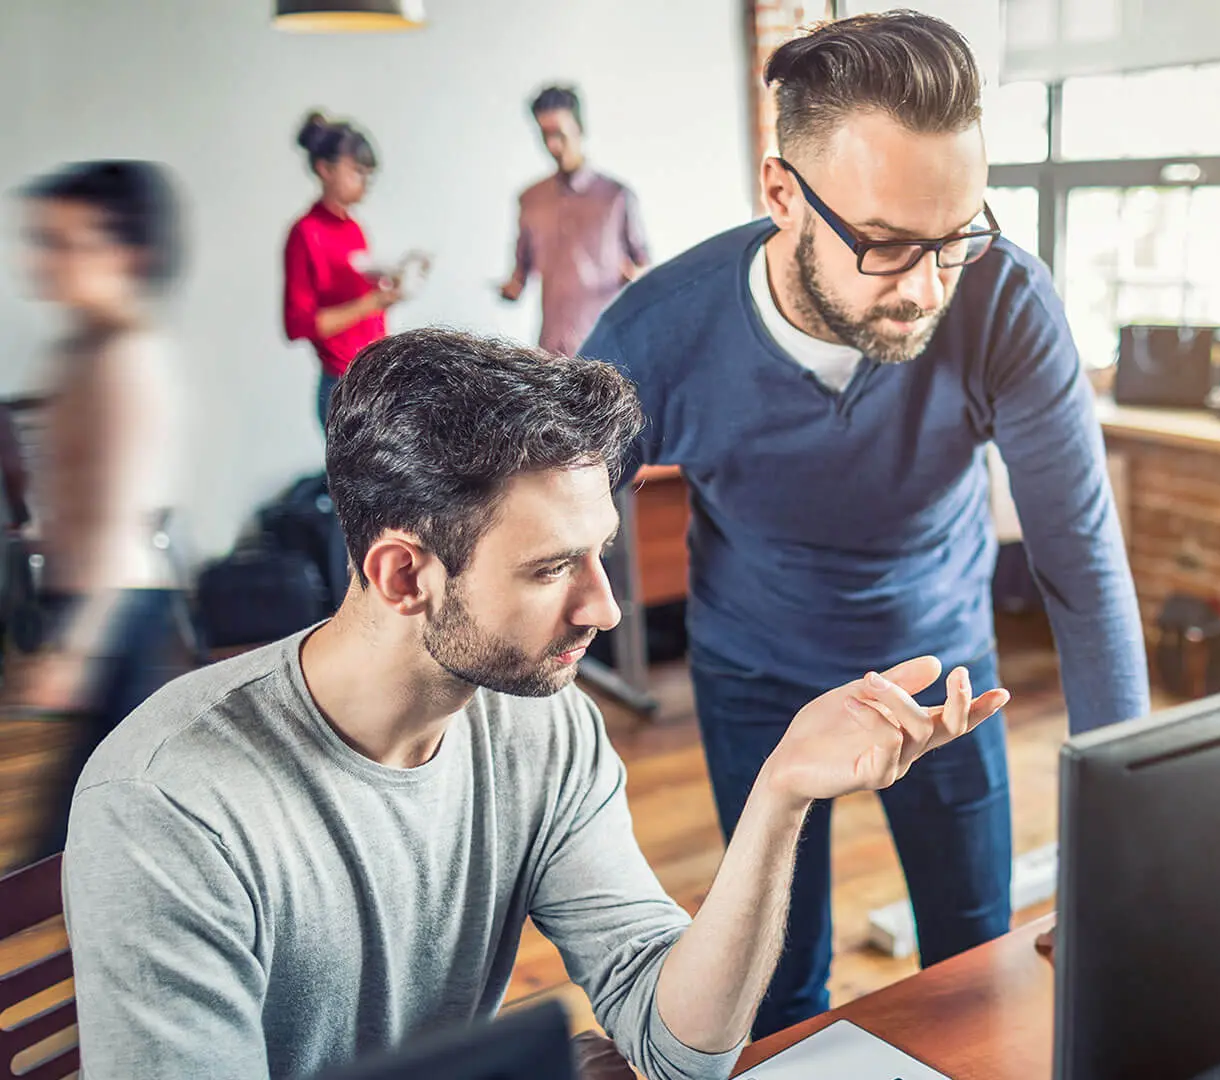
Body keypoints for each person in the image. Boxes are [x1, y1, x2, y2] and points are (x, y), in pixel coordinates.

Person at [60, 327, 1008, 1079]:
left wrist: (782, 795)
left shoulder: (540, 725)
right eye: (554, 567)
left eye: (601, 552)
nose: (604, 605)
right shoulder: (170, 806)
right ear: (404, 575)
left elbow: (677, 1048)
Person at [580, 11, 1150, 1036]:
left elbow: (1081, 565)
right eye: (886, 246)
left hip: (945, 675)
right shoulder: (654, 333)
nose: (927, 288)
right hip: (755, 674)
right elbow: (550, 538)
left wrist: (1127, 847)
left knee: (974, 963)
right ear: (782, 195)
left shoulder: (1004, 301)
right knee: (781, 984)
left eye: (957, 237)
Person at [11, 160, 187, 861]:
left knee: (76, 840)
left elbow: (120, 525)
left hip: (123, 616)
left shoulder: (125, 360)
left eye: (67, 243)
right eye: (41, 241)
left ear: (129, 254)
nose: (45, 262)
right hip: (92, 608)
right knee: (88, 835)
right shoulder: (80, 350)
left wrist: (76, 651)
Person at [283, 111, 419, 434]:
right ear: (325, 169)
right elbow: (300, 324)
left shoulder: (353, 229)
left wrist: (390, 287)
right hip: (341, 386)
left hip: (373, 378)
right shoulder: (305, 234)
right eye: (357, 172)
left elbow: (358, 295)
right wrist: (372, 303)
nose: (365, 184)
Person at [500, 85, 651, 356]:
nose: (552, 145)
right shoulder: (530, 200)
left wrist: (635, 276)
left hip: (608, 347)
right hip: (551, 351)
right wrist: (511, 287)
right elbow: (520, 272)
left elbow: (645, 267)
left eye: (559, 133)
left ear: (579, 128)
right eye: (545, 135)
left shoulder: (617, 196)